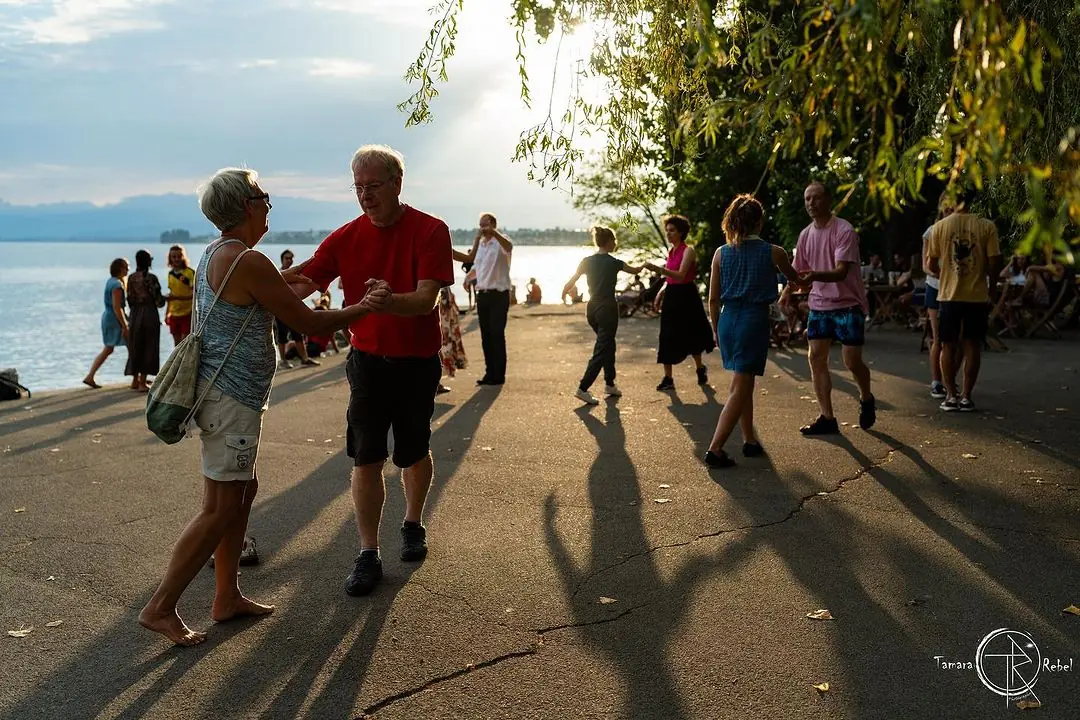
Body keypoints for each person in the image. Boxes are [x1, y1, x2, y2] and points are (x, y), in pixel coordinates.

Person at [138, 167, 381, 646]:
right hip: (229, 403)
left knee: (242, 493)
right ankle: (160, 607)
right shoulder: (245, 261)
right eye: (262, 195)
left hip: (229, 398)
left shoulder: (223, 253)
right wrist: (365, 306)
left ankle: (226, 596)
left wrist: (291, 275)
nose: (269, 203)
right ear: (246, 206)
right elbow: (307, 321)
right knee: (220, 506)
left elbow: (266, 293)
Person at [282, 145, 454, 597]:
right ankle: (368, 552)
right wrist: (250, 285)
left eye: (373, 187)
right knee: (367, 456)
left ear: (397, 183)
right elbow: (304, 282)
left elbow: (426, 298)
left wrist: (388, 300)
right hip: (366, 363)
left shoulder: (431, 230)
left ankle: (413, 522)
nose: (365, 196)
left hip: (417, 362)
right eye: (358, 188)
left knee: (414, 450)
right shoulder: (345, 237)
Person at [705, 195, 802, 467]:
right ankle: (716, 448)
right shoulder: (774, 252)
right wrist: (806, 281)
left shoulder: (720, 253)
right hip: (753, 321)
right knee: (741, 386)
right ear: (760, 220)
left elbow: (713, 300)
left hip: (726, 320)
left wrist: (715, 330)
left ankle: (749, 440)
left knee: (742, 381)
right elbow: (797, 282)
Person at [784, 182, 876, 434]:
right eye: (807, 199)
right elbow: (796, 272)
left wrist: (811, 277)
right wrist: (786, 292)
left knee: (852, 361)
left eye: (815, 198)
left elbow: (840, 272)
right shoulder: (805, 235)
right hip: (820, 304)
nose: (811, 203)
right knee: (816, 358)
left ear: (828, 200)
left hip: (848, 304)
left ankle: (866, 398)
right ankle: (827, 417)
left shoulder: (844, 230)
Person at [926, 187, 1003, 412]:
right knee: (972, 345)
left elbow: (931, 264)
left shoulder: (940, 226)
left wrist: (947, 276)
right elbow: (995, 261)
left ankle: (950, 396)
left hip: (949, 295)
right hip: (977, 295)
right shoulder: (986, 225)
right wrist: (993, 285)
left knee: (947, 345)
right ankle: (967, 395)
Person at [561, 226, 644, 405]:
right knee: (602, 348)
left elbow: (571, 281)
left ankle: (610, 383)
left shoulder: (586, 261)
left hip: (591, 309)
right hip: (607, 309)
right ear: (608, 242)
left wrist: (564, 294)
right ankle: (583, 388)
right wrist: (645, 265)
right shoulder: (614, 262)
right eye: (614, 240)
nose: (615, 243)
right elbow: (635, 271)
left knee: (608, 344)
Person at [646, 214, 715, 390]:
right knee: (667, 335)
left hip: (687, 296)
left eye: (672, 231)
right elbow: (670, 278)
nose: (668, 234)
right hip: (672, 294)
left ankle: (700, 368)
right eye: (667, 231)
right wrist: (661, 293)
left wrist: (657, 269)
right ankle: (668, 378)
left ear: (681, 232)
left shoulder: (688, 250)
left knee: (692, 334)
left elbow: (681, 275)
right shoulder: (671, 251)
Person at [457, 213, 512, 385]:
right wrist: (468, 278)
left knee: (497, 334)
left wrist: (494, 233)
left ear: (493, 224)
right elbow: (477, 266)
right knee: (486, 336)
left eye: (485, 224)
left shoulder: (501, 242)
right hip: (483, 295)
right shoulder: (481, 245)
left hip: (499, 294)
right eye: (480, 225)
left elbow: (509, 247)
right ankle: (489, 373)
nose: (482, 228)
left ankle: (499, 374)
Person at [922, 205, 954, 399]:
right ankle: (936, 381)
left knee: (954, 340)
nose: (950, 212)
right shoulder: (932, 231)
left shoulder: (960, 231)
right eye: (947, 209)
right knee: (938, 337)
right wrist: (938, 273)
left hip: (956, 287)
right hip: (935, 286)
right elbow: (925, 266)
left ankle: (949, 379)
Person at [83, 258, 129, 389]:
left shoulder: (111, 281)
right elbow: (117, 307)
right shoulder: (117, 285)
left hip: (108, 317)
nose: (128, 269)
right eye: (126, 267)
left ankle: (90, 375)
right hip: (114, 319)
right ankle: (137, 378)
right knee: (131, 345)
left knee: (109, 348)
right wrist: (124, 325)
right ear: (120, 269)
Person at [125, 250, 166, 392]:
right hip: (149, 313)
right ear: (149, 261)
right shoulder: (151, 278)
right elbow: (159, 301)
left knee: (135, 345)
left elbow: (129, 298)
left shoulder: (131, 278)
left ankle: (135, 380)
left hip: (135, 314)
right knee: (149, 346)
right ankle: (143, 381)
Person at [274, 249, 319, 370]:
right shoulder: (278, 273)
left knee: (298, 335)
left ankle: (305, 358)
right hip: (281, 310)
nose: (289, 260)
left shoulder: (295, 273)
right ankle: (283, 361)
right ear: (282, 259)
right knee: (282, 336)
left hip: (294, 309)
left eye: (291, 258)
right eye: (287, 258)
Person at [437, 287, 468, 394]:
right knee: (440, 344)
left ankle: (435, 382)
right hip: (440, 304)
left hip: (441, 302)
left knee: (440, 345)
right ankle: (435, 383)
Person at [164, 245, 196, 346]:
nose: (176, 259)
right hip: (174, 313)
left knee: (184, 344)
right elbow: (171, 295)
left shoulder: (190, 273)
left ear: (183, 257)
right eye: (174, 257)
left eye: (179, 256)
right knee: (176, 345)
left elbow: (195, 294)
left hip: (187, 313)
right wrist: (166, 314)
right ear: (170, 258)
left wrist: (177, 298)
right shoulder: (170, 274)